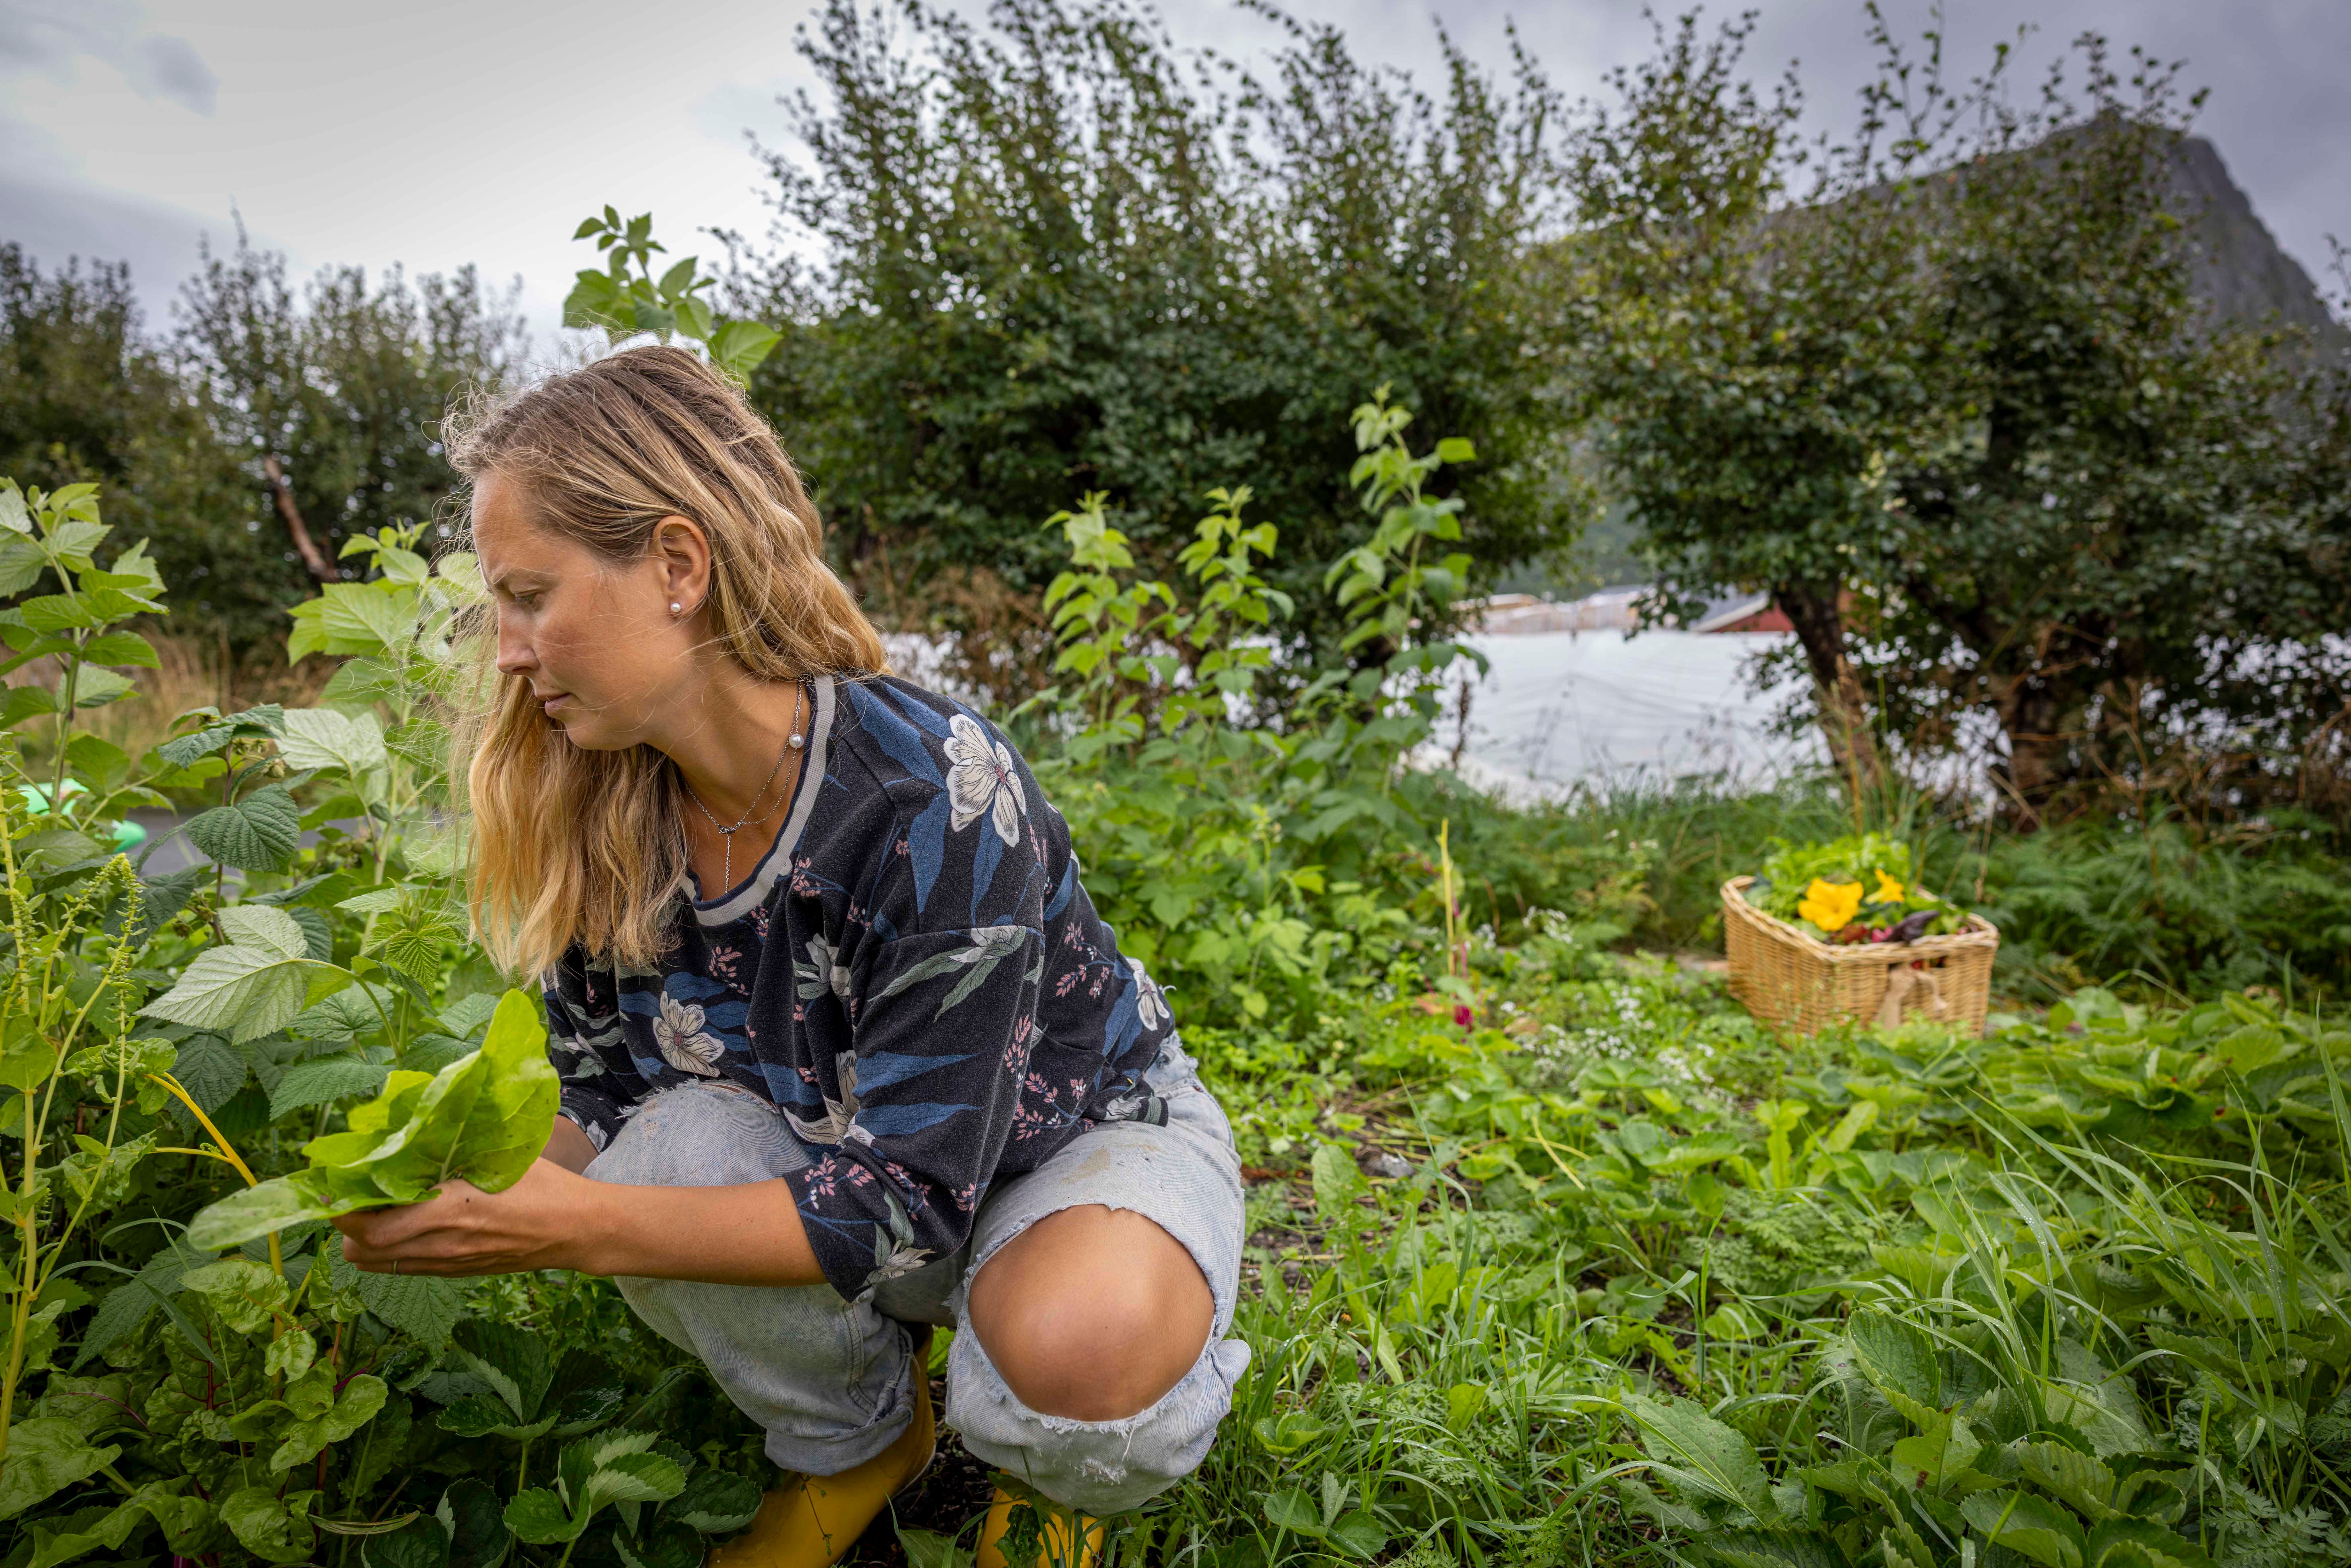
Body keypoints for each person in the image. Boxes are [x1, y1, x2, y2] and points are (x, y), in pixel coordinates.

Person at [331, 345, 1249, 1568]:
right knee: (649, 1157)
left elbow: (911, 1209)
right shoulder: (604, 810)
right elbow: (603, 1111)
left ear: (675, 564)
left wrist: (573, 1228)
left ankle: (1054, 1471)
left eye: (530, 594)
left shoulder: (927, 792)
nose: (504, 649)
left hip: (1062, 1153)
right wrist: (447, 1187)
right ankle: (860, 1440)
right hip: (840, 1182)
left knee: (1073, 1341)